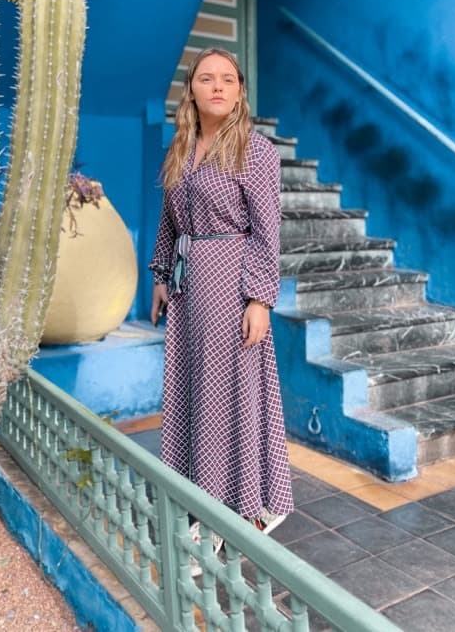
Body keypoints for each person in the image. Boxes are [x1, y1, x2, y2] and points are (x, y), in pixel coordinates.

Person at [149, 47, 294, 547]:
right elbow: (169, 220)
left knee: (228, 396)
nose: (216, 86)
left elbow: (266, 231)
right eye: (206, 78)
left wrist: (259, 299)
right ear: (191, 89)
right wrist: (161, 275)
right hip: (189, 290)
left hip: (231, 283)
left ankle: (233, 514)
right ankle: (202, 500)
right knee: (193, 393)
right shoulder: (181, 148)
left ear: (239, 92)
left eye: (227, 80)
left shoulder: (256, 151)